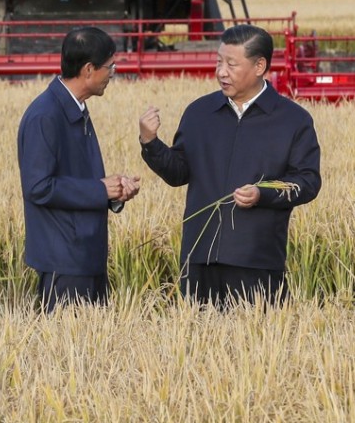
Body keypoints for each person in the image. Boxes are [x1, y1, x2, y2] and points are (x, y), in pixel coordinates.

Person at [138, 24, 322, 307]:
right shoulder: (200, 112)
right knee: (197, 332)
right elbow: (178, 173)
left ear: (259, 66)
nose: (221, 72)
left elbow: (307, 182)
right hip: (199, 257)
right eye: (218, 62)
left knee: (255, 334)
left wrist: (262, 194)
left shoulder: (293, 120)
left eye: (231, 64)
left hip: (256, 259)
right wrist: (150, 142)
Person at [17, 26, 140, 311]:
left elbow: (76, 179)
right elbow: (38, 187)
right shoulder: (45, 116)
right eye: (109, 67)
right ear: (88, 70)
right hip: (65, 261)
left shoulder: (75, 108)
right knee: (68, 339)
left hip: (85, 255)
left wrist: (114, 193)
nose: (112, 74)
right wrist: (100, 190)